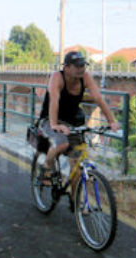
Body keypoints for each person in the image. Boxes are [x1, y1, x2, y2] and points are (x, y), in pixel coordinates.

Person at [38, 51, 119, 185]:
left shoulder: (85, 77)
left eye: (83, 66)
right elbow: (54, 100)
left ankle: (73, 200)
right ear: (67, 67)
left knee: (77, 164)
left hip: (72, 121)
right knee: (62, 143)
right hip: (50, 119)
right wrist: (54, 124)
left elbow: (98, 98)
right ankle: (46, 166)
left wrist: (111, 121)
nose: (81, 69)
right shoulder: (57, 77)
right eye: (77, 66)